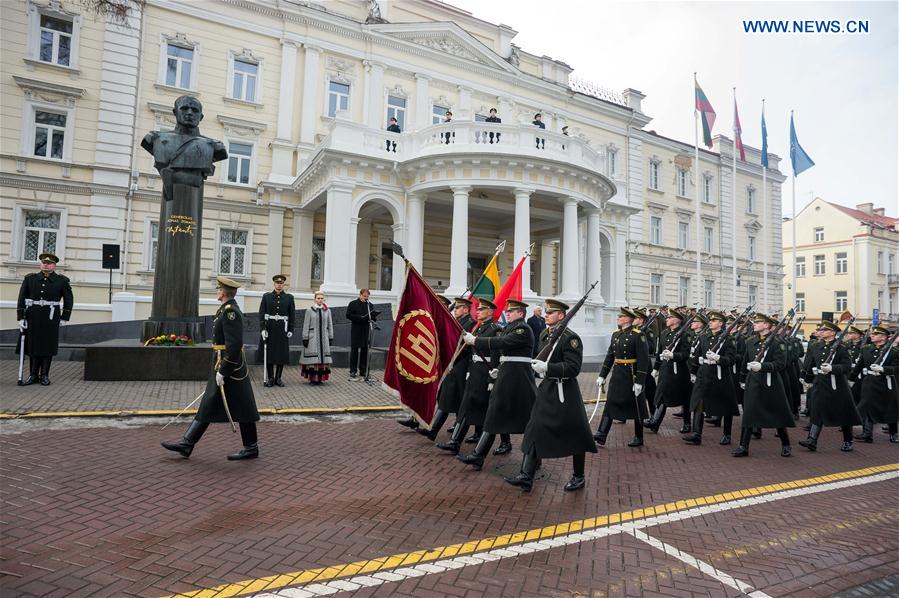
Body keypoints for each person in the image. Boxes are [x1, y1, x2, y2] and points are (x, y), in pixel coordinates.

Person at [161, 276, 260, 460]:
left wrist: (224, 370)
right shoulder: (225, 310)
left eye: (218, 289)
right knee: (211, 403)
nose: (217, 291)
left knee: (242, 405)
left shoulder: (231, 312)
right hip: (222, 363)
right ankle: (187, 444)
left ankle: (251, 447)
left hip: (231, 367)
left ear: (224, 292)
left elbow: (234, 345)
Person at [506, 299, 597, 492]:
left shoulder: (570, 338)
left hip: (566, 391)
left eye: (551, 312)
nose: (546, 314)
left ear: (561, 316)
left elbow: (573, 368)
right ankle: (526, 475)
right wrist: (541, 370)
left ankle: (578, 476)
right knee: (535, 428)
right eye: (546, 312)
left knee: (575, 433)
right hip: (548, 388)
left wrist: (548, 367)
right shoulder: (545, 335)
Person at [458, 299, 537, 469]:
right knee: (493, 414)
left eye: (512, 311)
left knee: (530, 421)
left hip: (519, 380)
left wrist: (476, 341)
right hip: (506, 376)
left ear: (521, 313)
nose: (507, 313)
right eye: (507, 311)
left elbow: (502, 343)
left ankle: (534, 460)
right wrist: (496, 370)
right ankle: (478, 455)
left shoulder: (523, 329)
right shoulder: (510, 328)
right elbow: (500, 349)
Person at [437, 298, 500, 454]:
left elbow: (496, 355)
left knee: (488, 409)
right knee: (467, 406)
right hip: (475, 372)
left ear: (490, 312)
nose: (477, 311)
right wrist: (469, 371)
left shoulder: (494, 329)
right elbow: (472, 353)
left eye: (481, 309)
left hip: (486, 372)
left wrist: (492, 377)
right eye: (477, 309)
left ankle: (504, 441)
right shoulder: (479, 328)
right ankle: (455, 442)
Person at [734, 313, 794, 458]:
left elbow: (781, 364)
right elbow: (745, 361)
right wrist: (742, 378)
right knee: (749, 413)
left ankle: (786, 444)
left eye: (758, 322)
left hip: (771, 383)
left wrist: (762, 366)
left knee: (777, 414)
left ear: (766, 325)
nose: (754, 324)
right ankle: (743, 446)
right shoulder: (750, 341)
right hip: (753, 381)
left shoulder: (777, 342)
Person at [799, 321, 862, 452]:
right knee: (816, 410)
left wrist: (833, 368)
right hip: (820, 383)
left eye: (824, 330)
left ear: (833, 333)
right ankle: (812, 439)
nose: (820, 332)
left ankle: (848, 440)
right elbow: (810, 364)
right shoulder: (816, 346)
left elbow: (846, 366)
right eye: (820, 330)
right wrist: (807, 380)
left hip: (837, 385)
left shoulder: (842, 347)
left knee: (843, 412)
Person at [419, 297, 476, 441]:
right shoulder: (458, 321)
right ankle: (434, 430)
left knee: (455, 397)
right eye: (455, 308)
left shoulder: (470, 323)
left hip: (461, 364)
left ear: (465, 309)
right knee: (448, 397)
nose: (455, 310)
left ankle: (436, 430)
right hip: (453, 363)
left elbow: (465, 346)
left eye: (458, 308)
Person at [594, 307, 651, 447]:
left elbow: (644, 360)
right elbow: (610, 356)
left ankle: (639, 436)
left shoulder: (638, 335)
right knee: (610, 403)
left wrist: (639, 381)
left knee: (637, 406)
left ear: (627, 319)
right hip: (618, 374)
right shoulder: (616, 334)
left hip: (631, 375)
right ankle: (601, 434)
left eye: (620, 316)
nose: (618, 318)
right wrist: (602, 375)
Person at [16, 253, 73, 386]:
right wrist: (21, 317)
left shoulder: (61, 281)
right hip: (33, 316)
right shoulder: (30, 279)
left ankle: (45, 375)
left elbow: (69, 299)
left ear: (54, 265)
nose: (46, 265)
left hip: (50, 317)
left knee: (48, 346)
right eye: (43, 262)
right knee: (33, 346)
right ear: (40, 264)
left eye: (49, 263)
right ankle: (33, 375)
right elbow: (21, 298)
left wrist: (65, 317)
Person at [685, 311, 740, 445]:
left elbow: (732, 360)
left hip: (720, 375)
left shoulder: (728, 339)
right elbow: (697, 356)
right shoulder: (704, 337)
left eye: (714, 321)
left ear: (721, 323)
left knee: (725, 405)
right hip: (704, 374)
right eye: (710, 320)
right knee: (699, 403)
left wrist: (718, 358)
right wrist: (693, 372)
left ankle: (727, 434)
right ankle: (697, 434)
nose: (710, 322)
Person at [645, 308, 692, 434]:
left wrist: (674, 355)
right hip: (665, 370)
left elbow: (686, 354)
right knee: (661, 396)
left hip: (679, 372)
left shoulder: (685, 335)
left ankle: (687, 423)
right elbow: (660, 352)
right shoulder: (665, 333)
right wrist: (656, 368)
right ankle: (655, 422)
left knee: (684, 398)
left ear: (676, 320)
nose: (667, 319)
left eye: (670, 318)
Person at [851, 326, 898, 443]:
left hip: (886, 382)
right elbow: (859, 365)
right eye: (872, 334)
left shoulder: (893, 352)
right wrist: (851, 379)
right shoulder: (866, 349)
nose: (872, 336)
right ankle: (867, 433)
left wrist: (883, 369)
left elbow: (897, 368)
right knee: (867, 406)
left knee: (890, 408)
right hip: (870, 382)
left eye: (875, 334)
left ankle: (893, 433)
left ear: (883, 337)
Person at [258, 274, 295, 387]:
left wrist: (290, 329)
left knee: (281, 354)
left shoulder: (289, 298)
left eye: (281, 283)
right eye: (277, 283)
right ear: (274, 284)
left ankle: (278, 378)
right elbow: (261, 313)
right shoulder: (267, 297)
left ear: (283, 284)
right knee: (269, 354)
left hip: (282, 329)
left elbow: (292, 315)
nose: (279, 285)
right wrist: (263, 329)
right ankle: (270, 378)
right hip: (270, 328)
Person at [300, 292, 334, 385]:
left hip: (324, 338)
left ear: (323, 300)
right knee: (313, 359)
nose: (320, 300)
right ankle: (312, 379)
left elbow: (330, 324)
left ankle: (320, 378)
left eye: (322, 298)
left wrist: (331, 336)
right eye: (318, 298)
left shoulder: (327, 311)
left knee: (322, 359)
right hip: (313, 338)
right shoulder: (309, 310)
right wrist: (305, 337)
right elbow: (306, 325)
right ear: (315, 299)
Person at [346, 289, 379, 380]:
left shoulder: (369, 305)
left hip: (366, 329)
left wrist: (374, 317)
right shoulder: (353, 303)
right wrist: (359, 317)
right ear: (360, 295)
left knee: (365, 350)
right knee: (355, 350)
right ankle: (353, 370)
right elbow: (348, 315)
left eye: (367, 296)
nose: (366, 298)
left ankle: (363, 370)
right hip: (356, 329)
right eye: (364, 296)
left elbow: (372, 316)